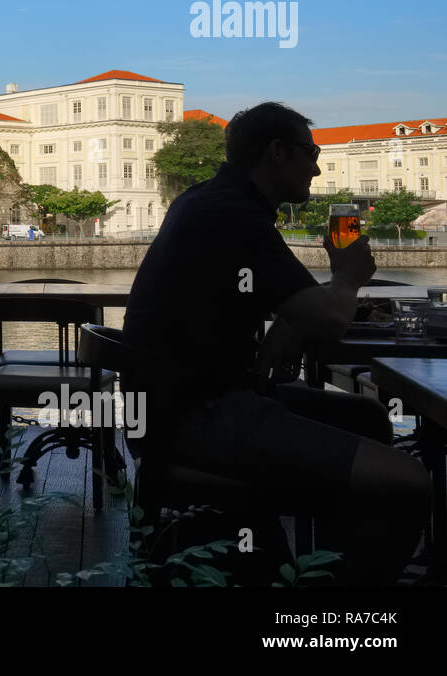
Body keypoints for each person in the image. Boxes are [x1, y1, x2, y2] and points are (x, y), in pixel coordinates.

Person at [124, 101, 429, 584]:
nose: (317, 166)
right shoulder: (236, 215)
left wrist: (287, 326)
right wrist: (347, 277)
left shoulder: (208, 200)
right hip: (198, 416)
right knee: (411, 481)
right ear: (277, 153)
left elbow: (275, 296)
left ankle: (326, 562)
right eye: (311, 153)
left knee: (368, 417)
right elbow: (329, 319)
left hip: (173, 405)